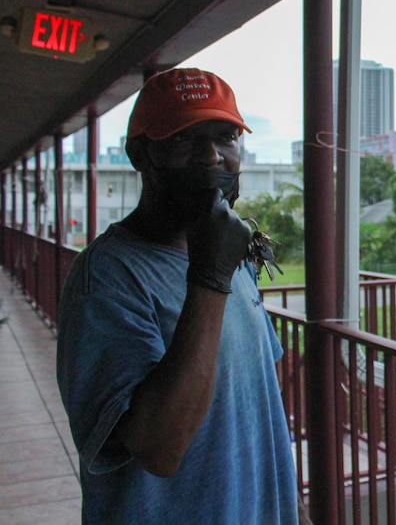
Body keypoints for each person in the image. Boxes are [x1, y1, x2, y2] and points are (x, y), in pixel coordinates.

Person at [56, 68, 299, 524]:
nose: (212, 157)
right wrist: (209, 276)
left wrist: (290, 506)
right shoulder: (107, 276)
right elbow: (159, 449)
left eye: (226, 137)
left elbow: (258, 399)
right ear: (139, 154)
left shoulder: (231, 256)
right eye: (183, 140)